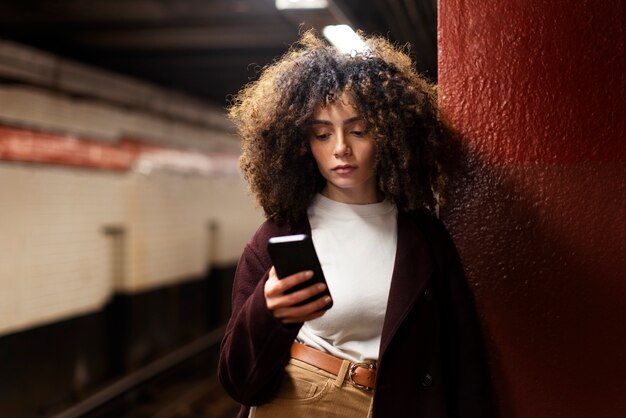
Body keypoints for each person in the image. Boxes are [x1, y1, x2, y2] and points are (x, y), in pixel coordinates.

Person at [218, 31, 495, 418]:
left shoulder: (425, 237)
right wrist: (267, 311)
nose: (340, 148)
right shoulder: (278, 236)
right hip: (300, 402)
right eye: (322, 133)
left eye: (359, 130)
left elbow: (464, 358)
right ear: (302, 143)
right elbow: (239, 380)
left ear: (391, 134)